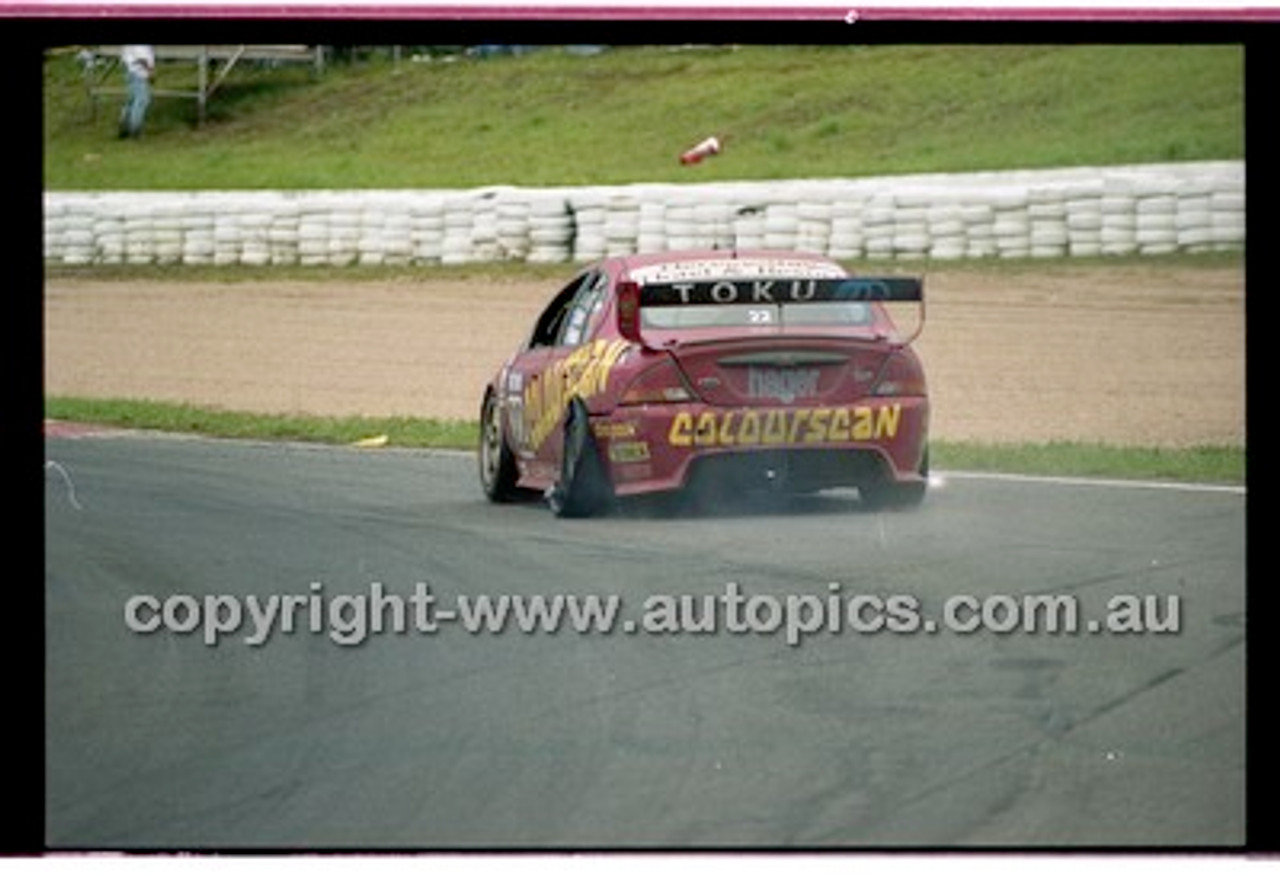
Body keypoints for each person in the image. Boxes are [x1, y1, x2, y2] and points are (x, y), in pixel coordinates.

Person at [118, 45, 155, 138]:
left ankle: (124, 128)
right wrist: (150, 71)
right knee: (141, 101)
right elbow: (142, 58)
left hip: (130, 71)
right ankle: (135, 130)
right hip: (139, 73)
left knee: (131, 101)